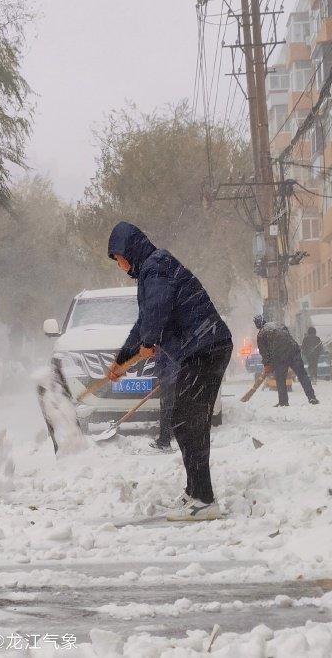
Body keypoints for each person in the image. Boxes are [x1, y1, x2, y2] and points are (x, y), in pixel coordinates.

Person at [105, 221, 232, 521]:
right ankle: (195, 492)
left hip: (206, 346)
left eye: (119, 257)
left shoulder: (156, 267)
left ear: (131, 250)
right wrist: (121, 359)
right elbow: (144, 321)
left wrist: (149, 341)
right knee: (184, 421)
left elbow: (159, 309)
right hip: (201, 347)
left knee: (189, 422)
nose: (120, 265)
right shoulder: (151, 271)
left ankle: (204, 499)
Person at [254, 315, 319, 406]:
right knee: (302, 375)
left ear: (257, 325)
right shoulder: (278, 324)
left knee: (280, 378)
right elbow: (288, 335)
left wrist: (267, 365)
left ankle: (283, 401)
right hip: (293, 351)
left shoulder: (261, 334)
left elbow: (264, 353)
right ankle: (312, 397)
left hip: (280, 356)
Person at [150, 346, 175, 452]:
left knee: (166, 410)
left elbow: (163, 361)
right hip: (176, 378)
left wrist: (163, 377)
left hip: (170, 379)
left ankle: (164, 441)